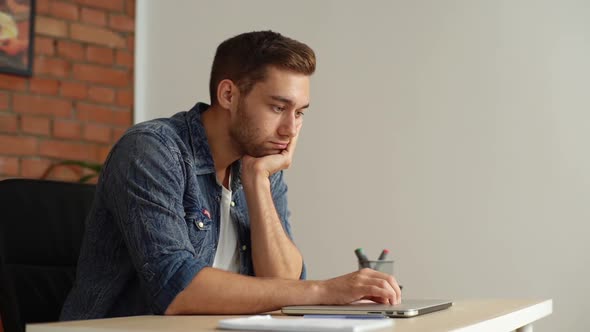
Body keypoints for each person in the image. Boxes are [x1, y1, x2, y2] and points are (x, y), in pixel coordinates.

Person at [60, 30, 401, 320]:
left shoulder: (258, 159)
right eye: (278, 107)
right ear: (228, 95)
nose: (290, 129)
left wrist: (257, 181)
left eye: (299, 112)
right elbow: (176, 287)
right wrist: (326, 290)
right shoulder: (152, 151)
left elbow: (284, 281)